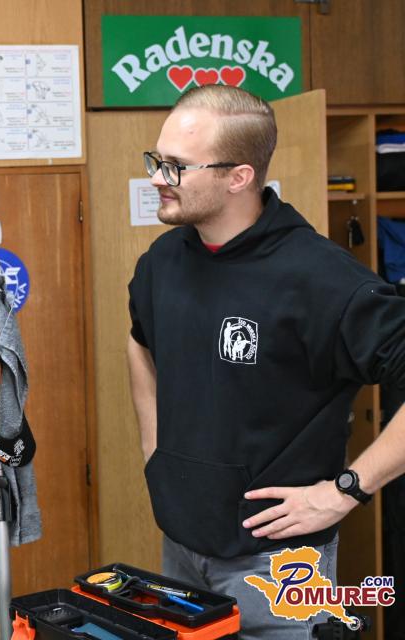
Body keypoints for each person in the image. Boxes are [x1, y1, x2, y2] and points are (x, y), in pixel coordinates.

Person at [127, 84, 405, 639]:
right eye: (157, 160)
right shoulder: (163, 260)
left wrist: (346, 490)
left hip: (279, 566)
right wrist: (156, 450)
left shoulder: (321, 278)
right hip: (181, 547)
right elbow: (140, 339)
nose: (157, 177)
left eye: (176, 166)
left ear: (239, 177)